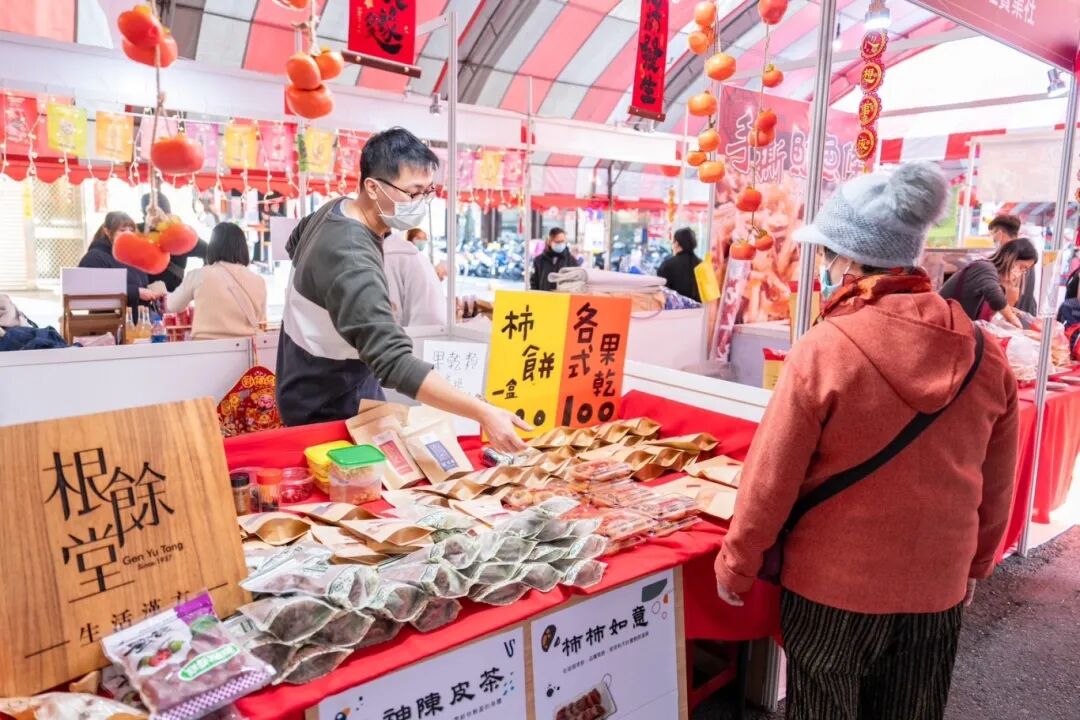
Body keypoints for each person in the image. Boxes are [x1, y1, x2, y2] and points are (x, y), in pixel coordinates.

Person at [713, 162, 1018, 720]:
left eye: (828, 256)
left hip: (831, 589)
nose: (826, 269)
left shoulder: (826, 347)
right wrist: (976, 565)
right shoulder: (983, 354)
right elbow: (996, 484)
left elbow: (771, 477)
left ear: (849, 262)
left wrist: (738, 562)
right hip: (937, 585)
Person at [276, 126, 528, 452]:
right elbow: (393, 361)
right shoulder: (351, 256)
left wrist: (336, 301)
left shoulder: (335, 209)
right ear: (372, 186)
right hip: (325, 401)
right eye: (413, 192)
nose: (421, 203)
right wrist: (484, 412)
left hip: (309, 376)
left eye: (428, 192)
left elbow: (294, 242)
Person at [165, 222, 267, 340]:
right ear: (243, 248)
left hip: (206, 351)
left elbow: (173, 305)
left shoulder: (199, 275)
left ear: (212, 247)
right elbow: (260, 318)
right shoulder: (258, 281)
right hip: (247, 351)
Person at [940, 238, 1038, 328]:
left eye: (1024, 271)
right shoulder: (984, 267)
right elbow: (995, 297)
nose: (1020, 274)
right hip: (941, 326)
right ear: (1010, 258)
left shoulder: (995, 280)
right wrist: (1014, 320)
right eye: (1021, 267)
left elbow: (990, 314)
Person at [79, 211, 160, 313]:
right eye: (122, 230)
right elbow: (90, 289)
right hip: (110, 324)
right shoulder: (95, 257)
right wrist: (136, 292)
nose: (128, 234)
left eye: (131, 230)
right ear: (107, 231)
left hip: (141, 321)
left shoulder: (133, 257)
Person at [141, 192, 208, 292]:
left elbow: (208, 251)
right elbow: (209, 251)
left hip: (145, 297)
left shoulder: (138, 233)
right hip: (171, 298)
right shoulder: (182, 232)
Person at [383, 227, 444, 327]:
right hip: (427, 333)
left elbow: (392, 317)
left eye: (424, 238)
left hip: (417, 335)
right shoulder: (415, 256)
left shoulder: (389, 257)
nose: (422, 241)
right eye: (419, 238)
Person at [987, 214, 1037, 314]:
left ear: (999, 234)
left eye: (992, 235)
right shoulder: (1026, 255)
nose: (993, 241)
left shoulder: (1012, 260)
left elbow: (1010, 299)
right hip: (1024, 313)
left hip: (1011, 318)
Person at [657, 228, 702, 301]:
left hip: (675, 311)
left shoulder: (667, 265)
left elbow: (660, 294)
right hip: (701, 310)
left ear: (676, 243)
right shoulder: (703, 265)